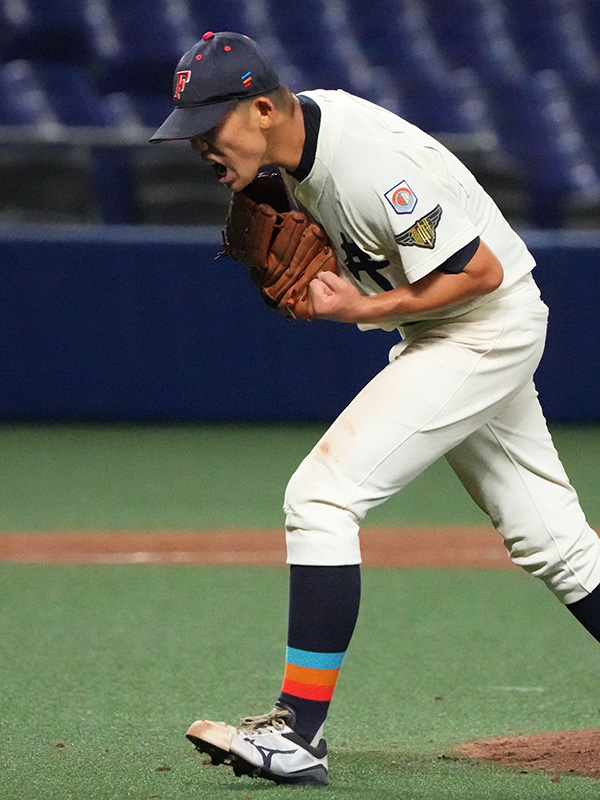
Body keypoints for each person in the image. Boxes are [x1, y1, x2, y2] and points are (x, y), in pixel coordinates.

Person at [150, 31, 600, 788]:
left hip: (482, 329)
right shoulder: (297, 150)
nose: (199, 145)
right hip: (457, 329)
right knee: (553, 541)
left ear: (263, 109)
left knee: (321, 498)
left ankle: (298, 732)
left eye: (209, 126)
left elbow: (479, 273)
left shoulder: (366, 165)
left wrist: (361, 307)